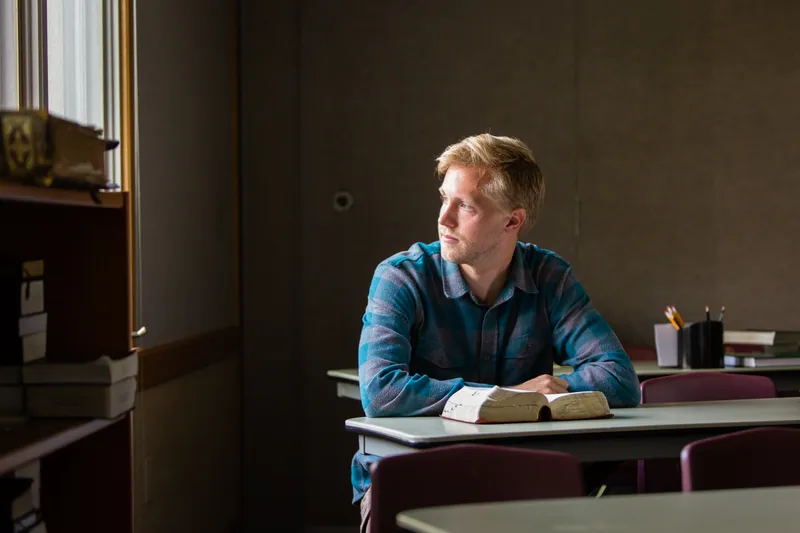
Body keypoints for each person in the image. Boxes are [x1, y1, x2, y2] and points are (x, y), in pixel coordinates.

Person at [352, 133, 640, 532]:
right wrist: (507, 397)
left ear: (512, 221)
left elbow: (619, 379)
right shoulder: (401, 277)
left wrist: (537, 394)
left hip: (520, 480)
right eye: (444, 198)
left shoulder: (549, 277)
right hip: (414, 476)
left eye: (465, 206)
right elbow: (381, 392)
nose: (444, 218)